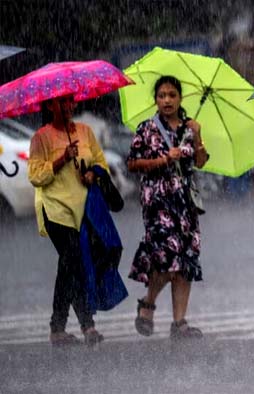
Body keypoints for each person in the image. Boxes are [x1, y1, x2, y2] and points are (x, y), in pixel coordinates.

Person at [127, 75, 209, 340]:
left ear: (180, 98)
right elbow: (133, 163)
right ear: (156, 100)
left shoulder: (189, 126)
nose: (167, 100)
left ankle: (179, 322)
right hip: (157, 201)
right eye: (162, 95)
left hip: (184, 202)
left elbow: (201, 161)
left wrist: (197, 135)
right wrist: (163, 159)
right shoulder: (147, 128)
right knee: (166, 257)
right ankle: (148, 303)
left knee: (184, 261)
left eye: (172, 95)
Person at [28, 95, 108, 346]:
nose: (67, 106)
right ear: (50, 106)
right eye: (61, 102)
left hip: (82, 209)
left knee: (71, 267)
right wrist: (62, 158)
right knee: (72, 259)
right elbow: (36, 176)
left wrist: (92, 175)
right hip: (54, 209)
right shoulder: (41, 137)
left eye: (70, 101)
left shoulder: (85, 132)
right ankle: (86, 326)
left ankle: (59, 328)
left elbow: (101, 164)